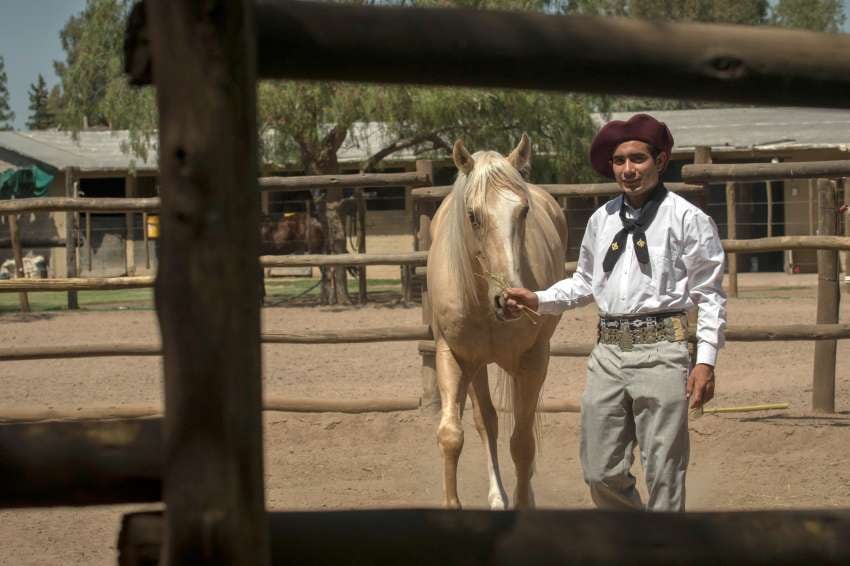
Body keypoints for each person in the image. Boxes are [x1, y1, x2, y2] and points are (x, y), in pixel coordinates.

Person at [503, 113, 726, 512]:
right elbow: (586, 283)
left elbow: (709, 295)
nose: (628, 169)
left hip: (663, 350)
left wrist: (705, 361)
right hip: (607, 356)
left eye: (638, 159)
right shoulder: (601, 220)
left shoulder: (688, 219)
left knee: (664, 471)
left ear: (660, 161)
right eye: (620, 161)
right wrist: (537, 298)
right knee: (599, 471)